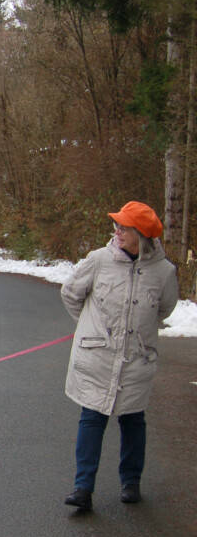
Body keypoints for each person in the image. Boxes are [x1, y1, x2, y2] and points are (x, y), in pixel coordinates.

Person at [61, 201, 178, 511]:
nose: (117, 231)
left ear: (142, 234)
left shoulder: (164, 272)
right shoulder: (98, 260)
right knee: (92, 417)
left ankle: (131, 482)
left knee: (133, 419)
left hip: (137, 358)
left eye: (124, 227)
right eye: (117, 226)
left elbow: (165, 308)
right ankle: (83, 488)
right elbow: (71, 293)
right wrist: (90, 326)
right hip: (98, 357)